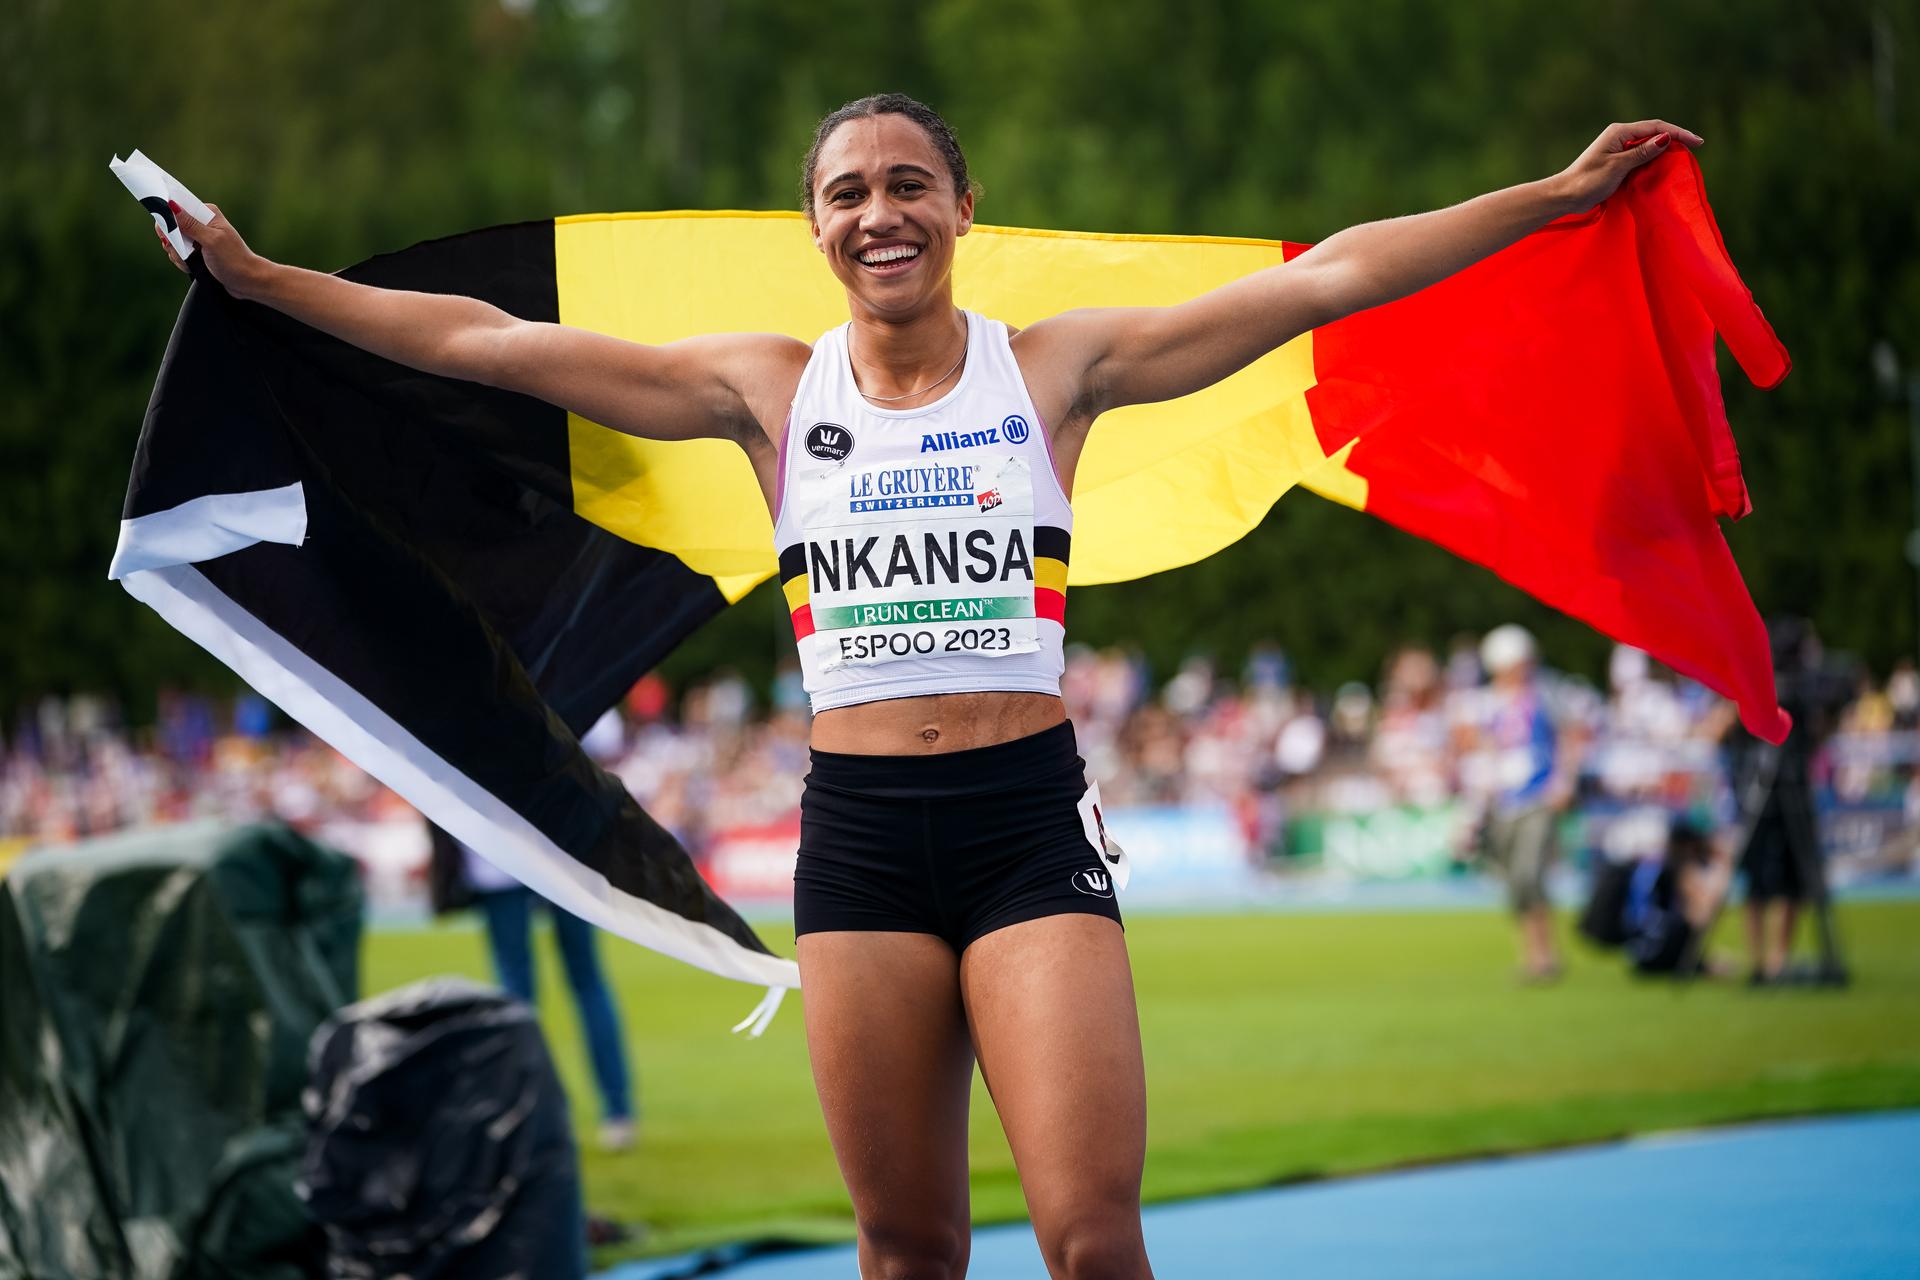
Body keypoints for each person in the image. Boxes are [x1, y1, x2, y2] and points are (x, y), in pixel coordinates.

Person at [156, 96, 1698, 1278]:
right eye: (849, 194)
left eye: (908, 185)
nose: (880, 213)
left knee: (1092, 1241)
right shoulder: (763, 389)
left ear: (963, 207)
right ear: (814, 228)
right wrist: (264, 278)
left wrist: (1555, 198)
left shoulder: (1056, 370)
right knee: (909, 1256)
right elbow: (488, 345)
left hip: (1027, 823)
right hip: (865, 843)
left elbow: (1333, 281)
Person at [1466, 624, 1585, 982]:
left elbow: (1571, 736)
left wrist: (1564, 781)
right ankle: (1531, 954)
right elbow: (1479, 745)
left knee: (1528, 873)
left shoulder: (1546, 694)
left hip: (1538, 797)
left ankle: (1545, 955)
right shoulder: (1487, 701)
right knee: (1514, 882)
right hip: (1503, 800)